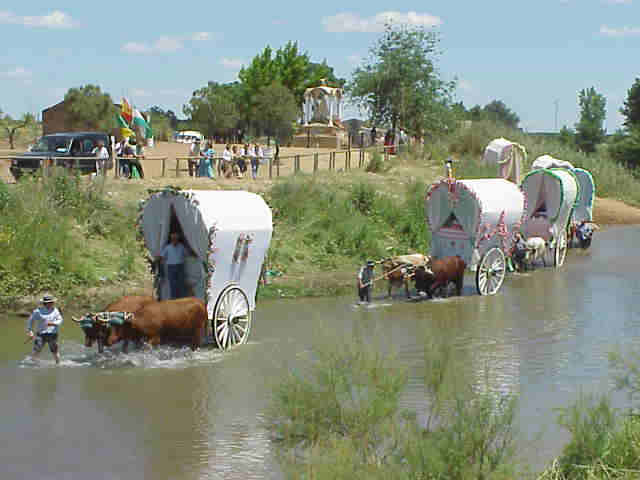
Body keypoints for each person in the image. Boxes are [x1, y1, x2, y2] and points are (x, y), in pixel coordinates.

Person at [26, 294, 64, 365]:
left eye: (52, 302)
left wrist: (53, 323)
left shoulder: (55, 310)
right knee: (37, 350)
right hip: (41, 334)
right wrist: (30, 331)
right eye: (50, 302)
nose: (52, 304)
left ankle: (58, 364)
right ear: (45, 303)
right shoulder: (37, 311)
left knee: (54, 351)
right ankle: (31, 364)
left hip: (52, 334)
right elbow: (30, 321)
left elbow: (60, 320)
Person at [159, 232, 186, 299]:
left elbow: (186, 254)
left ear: (178, 239)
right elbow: (162, 257)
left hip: (180, 266)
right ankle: (174, 299)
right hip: (171, 267)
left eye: (176, 239)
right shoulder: (167, 247)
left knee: (181, 284)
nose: (174, 240)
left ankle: (181, 299)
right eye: (173, 239)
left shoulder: (181, 246)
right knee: (172, 284)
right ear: (171, 240)